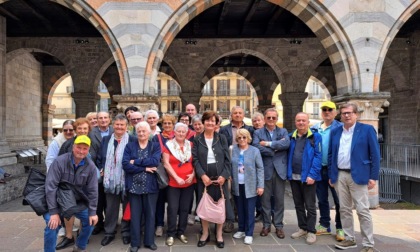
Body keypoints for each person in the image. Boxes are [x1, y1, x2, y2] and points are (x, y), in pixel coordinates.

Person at [329, 103, 380, 252]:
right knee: (344, 209)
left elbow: (375, 155)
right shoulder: (336, 131)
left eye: (349, 113)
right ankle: (349, 239)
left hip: (358, 175)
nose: (346, 115)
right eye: (344, 113)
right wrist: (332, 175)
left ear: (356, 114)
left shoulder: (367, 130)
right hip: (340, 175)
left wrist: (373, 176)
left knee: (362, 210)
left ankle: (368, 244)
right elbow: (331, 154)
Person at [44, 135, 98, 252]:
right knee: (52, 225)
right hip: (57, 200)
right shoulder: (59, 161)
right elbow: (51, 187)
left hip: (76, 201)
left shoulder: (91, 167)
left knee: (91, 222)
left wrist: (93, 212)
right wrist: (53, 212)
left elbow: (93, 191)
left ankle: (80, 247)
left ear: (88, 150)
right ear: (73, 147)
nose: (81, 151)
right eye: (79, 147)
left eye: (85, 148)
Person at [192, 111, 231, 249]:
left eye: (212, 121)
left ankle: (219, 234)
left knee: (220, 205)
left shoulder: (222, 138)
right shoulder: (197, 139)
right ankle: (205, 233)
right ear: (203, 122)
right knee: (205, 205)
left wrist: (224, 175)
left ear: (216, 123)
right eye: (207, 120)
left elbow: (228, 159)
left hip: (220, 178)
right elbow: (195, 160)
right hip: (204, 179)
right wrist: (202, 175)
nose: (210, 123)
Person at [97, 114, 137, 246]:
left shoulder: (132, 140)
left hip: (127, 179)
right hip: (110, 180)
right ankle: (109, 233)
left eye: (122, 125)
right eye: (117, 124)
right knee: (110, 208)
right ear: (113, 125)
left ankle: (126, 232)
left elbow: (136, 158)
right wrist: (101, 167)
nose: (119, 127)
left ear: (127, 127)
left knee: (127, 207)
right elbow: (99, 157)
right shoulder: (106, 140)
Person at [123, 121, 161, 252]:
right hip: (133, 186)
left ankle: (149, 242)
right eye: (139, 131)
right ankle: (135, 243)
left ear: (149, 132)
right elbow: (126, 165)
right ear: (136, 132)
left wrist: (136, 162)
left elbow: (155, 162)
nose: (141, 133)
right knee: (135, 215)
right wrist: (144, 168)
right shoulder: (130, 146)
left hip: (151, 187)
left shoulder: (154, 146)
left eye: (144, 131)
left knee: (150, 214)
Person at [252, 108, 290, 239]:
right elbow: (256, 147)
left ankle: (278, 226)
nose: (271, 120)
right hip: (265, 170)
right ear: (265, 118)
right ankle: (266, 225)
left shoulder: (283, 131)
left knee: (279, 200)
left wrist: (268, 144)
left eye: (274, 118)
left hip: (280, 170)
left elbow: (286, 144)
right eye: (269, 117)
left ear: (277, 119)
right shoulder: (258, 132)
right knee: (265, 200)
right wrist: (274, 150)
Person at [311, 101, 344, 241]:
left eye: (330, 109)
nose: (327, 112)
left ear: (335, 112)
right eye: (324, 109)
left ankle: (340, 227)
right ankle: (324, 224)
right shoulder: (314, 128)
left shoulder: (341, 128)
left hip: (335, 169)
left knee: (339, 200)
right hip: (319, 169)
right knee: (322, 199)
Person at [56, 118, 91, 250]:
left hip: (87, 184)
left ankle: (84, 235)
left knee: (86, 211)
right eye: (79, 128)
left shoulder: (93, 143)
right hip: (69, 184)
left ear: (89, 130)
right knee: (68, 210)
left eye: (85, 128)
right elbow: (59, 162)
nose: (82, 131)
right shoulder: (68, 144)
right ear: (76, 130)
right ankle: (69, 236)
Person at [287, 112, 322, 245]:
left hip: (308, 177)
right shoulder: (291, 137)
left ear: (308, 122)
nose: (301, 123)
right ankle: (302, 227)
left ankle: (311, 231)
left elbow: (318, 156)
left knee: (310, 205)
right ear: (295, 122)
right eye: (298, 121)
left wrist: (312, 175)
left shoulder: (315, 137)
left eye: (303, 120)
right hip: (294, 177)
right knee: (298, 204)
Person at [219, 106, 254, 233]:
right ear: (231, 115)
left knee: (243, 194)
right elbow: (221, 149)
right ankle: (229, 221)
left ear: (243, 115)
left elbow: (253, 148)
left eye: (240, 113)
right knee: (228, 195)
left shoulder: (250, 129)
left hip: (246, 167)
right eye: (235, 113)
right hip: (230, 165)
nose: (238, 115)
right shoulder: (224, 130)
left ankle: (242, 221)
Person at [162, 122, 196, 246]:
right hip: (173, 182)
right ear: (174, 132)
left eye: (183, 131)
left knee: (185, 208)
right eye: (178, 131)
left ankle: (181, 232)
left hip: (188, 182)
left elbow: (196, 162)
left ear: (186, 133)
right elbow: (166, 163)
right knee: (172, 208)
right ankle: (170, 233)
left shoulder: (191, 145)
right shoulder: (169, 145)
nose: (181, 133)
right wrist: (176, 177)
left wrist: (192, 175)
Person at [231, 129, 264, 245]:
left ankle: (249, 233)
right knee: (239, 209)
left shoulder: (254, 151)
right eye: (239, 138)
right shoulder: (233, 150)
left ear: (248, 138)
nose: (242, 140)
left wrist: (260, 186)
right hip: (237, 184)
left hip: (250, 185)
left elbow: (260, 168)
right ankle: (241, 229)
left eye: (244, 137)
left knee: (250, 210)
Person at [89, 111, 114, 235]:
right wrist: (98, 169)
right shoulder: (91, 133)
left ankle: (110, 224)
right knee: (98, 199)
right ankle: (98, 223)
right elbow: (91, 154)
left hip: (113, 171)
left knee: (110, 200)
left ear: (109, 119)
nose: (103, 120)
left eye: (105, 117)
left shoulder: (115, 130)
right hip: (98, 170)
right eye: (100, 118)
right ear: (97, 120)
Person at [151, 114, 176, 237]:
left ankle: (172, 225)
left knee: (173, 202)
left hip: (175, 173)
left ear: (173, 125)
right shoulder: (157, 138)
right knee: (160, 201)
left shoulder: (178, 136)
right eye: (165, 123)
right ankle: (159, 225)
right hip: (161, 174)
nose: (167, 125)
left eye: (169, 123)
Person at [251, 112, 265, 221]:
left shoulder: (267, 132)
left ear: (263, 121)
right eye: (254, 121)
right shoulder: (252, 133)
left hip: (266, 164)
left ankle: (268, 213)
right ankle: (259, 212)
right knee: (257, 190)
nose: (257, 122)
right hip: (254, 166)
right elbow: (254, 147)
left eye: (258, 120)